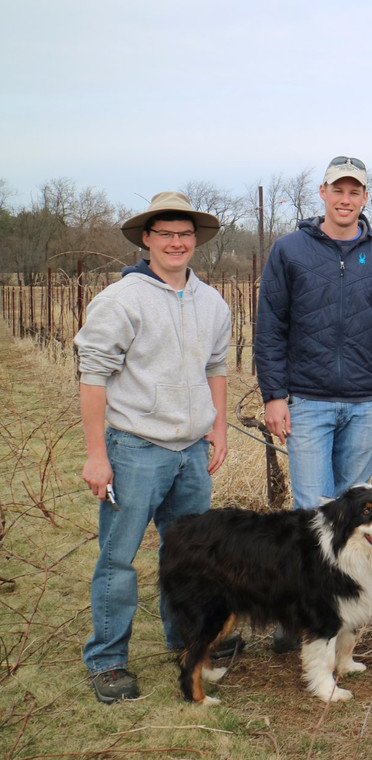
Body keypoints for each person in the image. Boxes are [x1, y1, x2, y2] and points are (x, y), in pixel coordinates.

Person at [254, 156, 372, 649]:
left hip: (363, 403)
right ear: (323, 192)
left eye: (354, 191)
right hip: (308, 402)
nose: (345, 199)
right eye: (338, 190)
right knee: (311, 515)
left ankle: (337, 615)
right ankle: (298, 615)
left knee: (356, 518)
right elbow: (270, 327)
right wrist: (274, 395)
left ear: (364, 198)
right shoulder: (289, 250)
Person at [76, 191, 233, 704]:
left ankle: (185, 639)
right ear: (147, 239)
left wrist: (219, 429)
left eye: (184, 234)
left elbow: (216, 368)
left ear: (196, 240)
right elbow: (93, 375)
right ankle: (107, 660)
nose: (176, 243)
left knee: (191, 555)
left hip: (191, 453)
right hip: (135, 447)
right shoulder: (121, 300)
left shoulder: (212, 302)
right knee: (119, 557)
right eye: (165, 233)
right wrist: (97, 454)